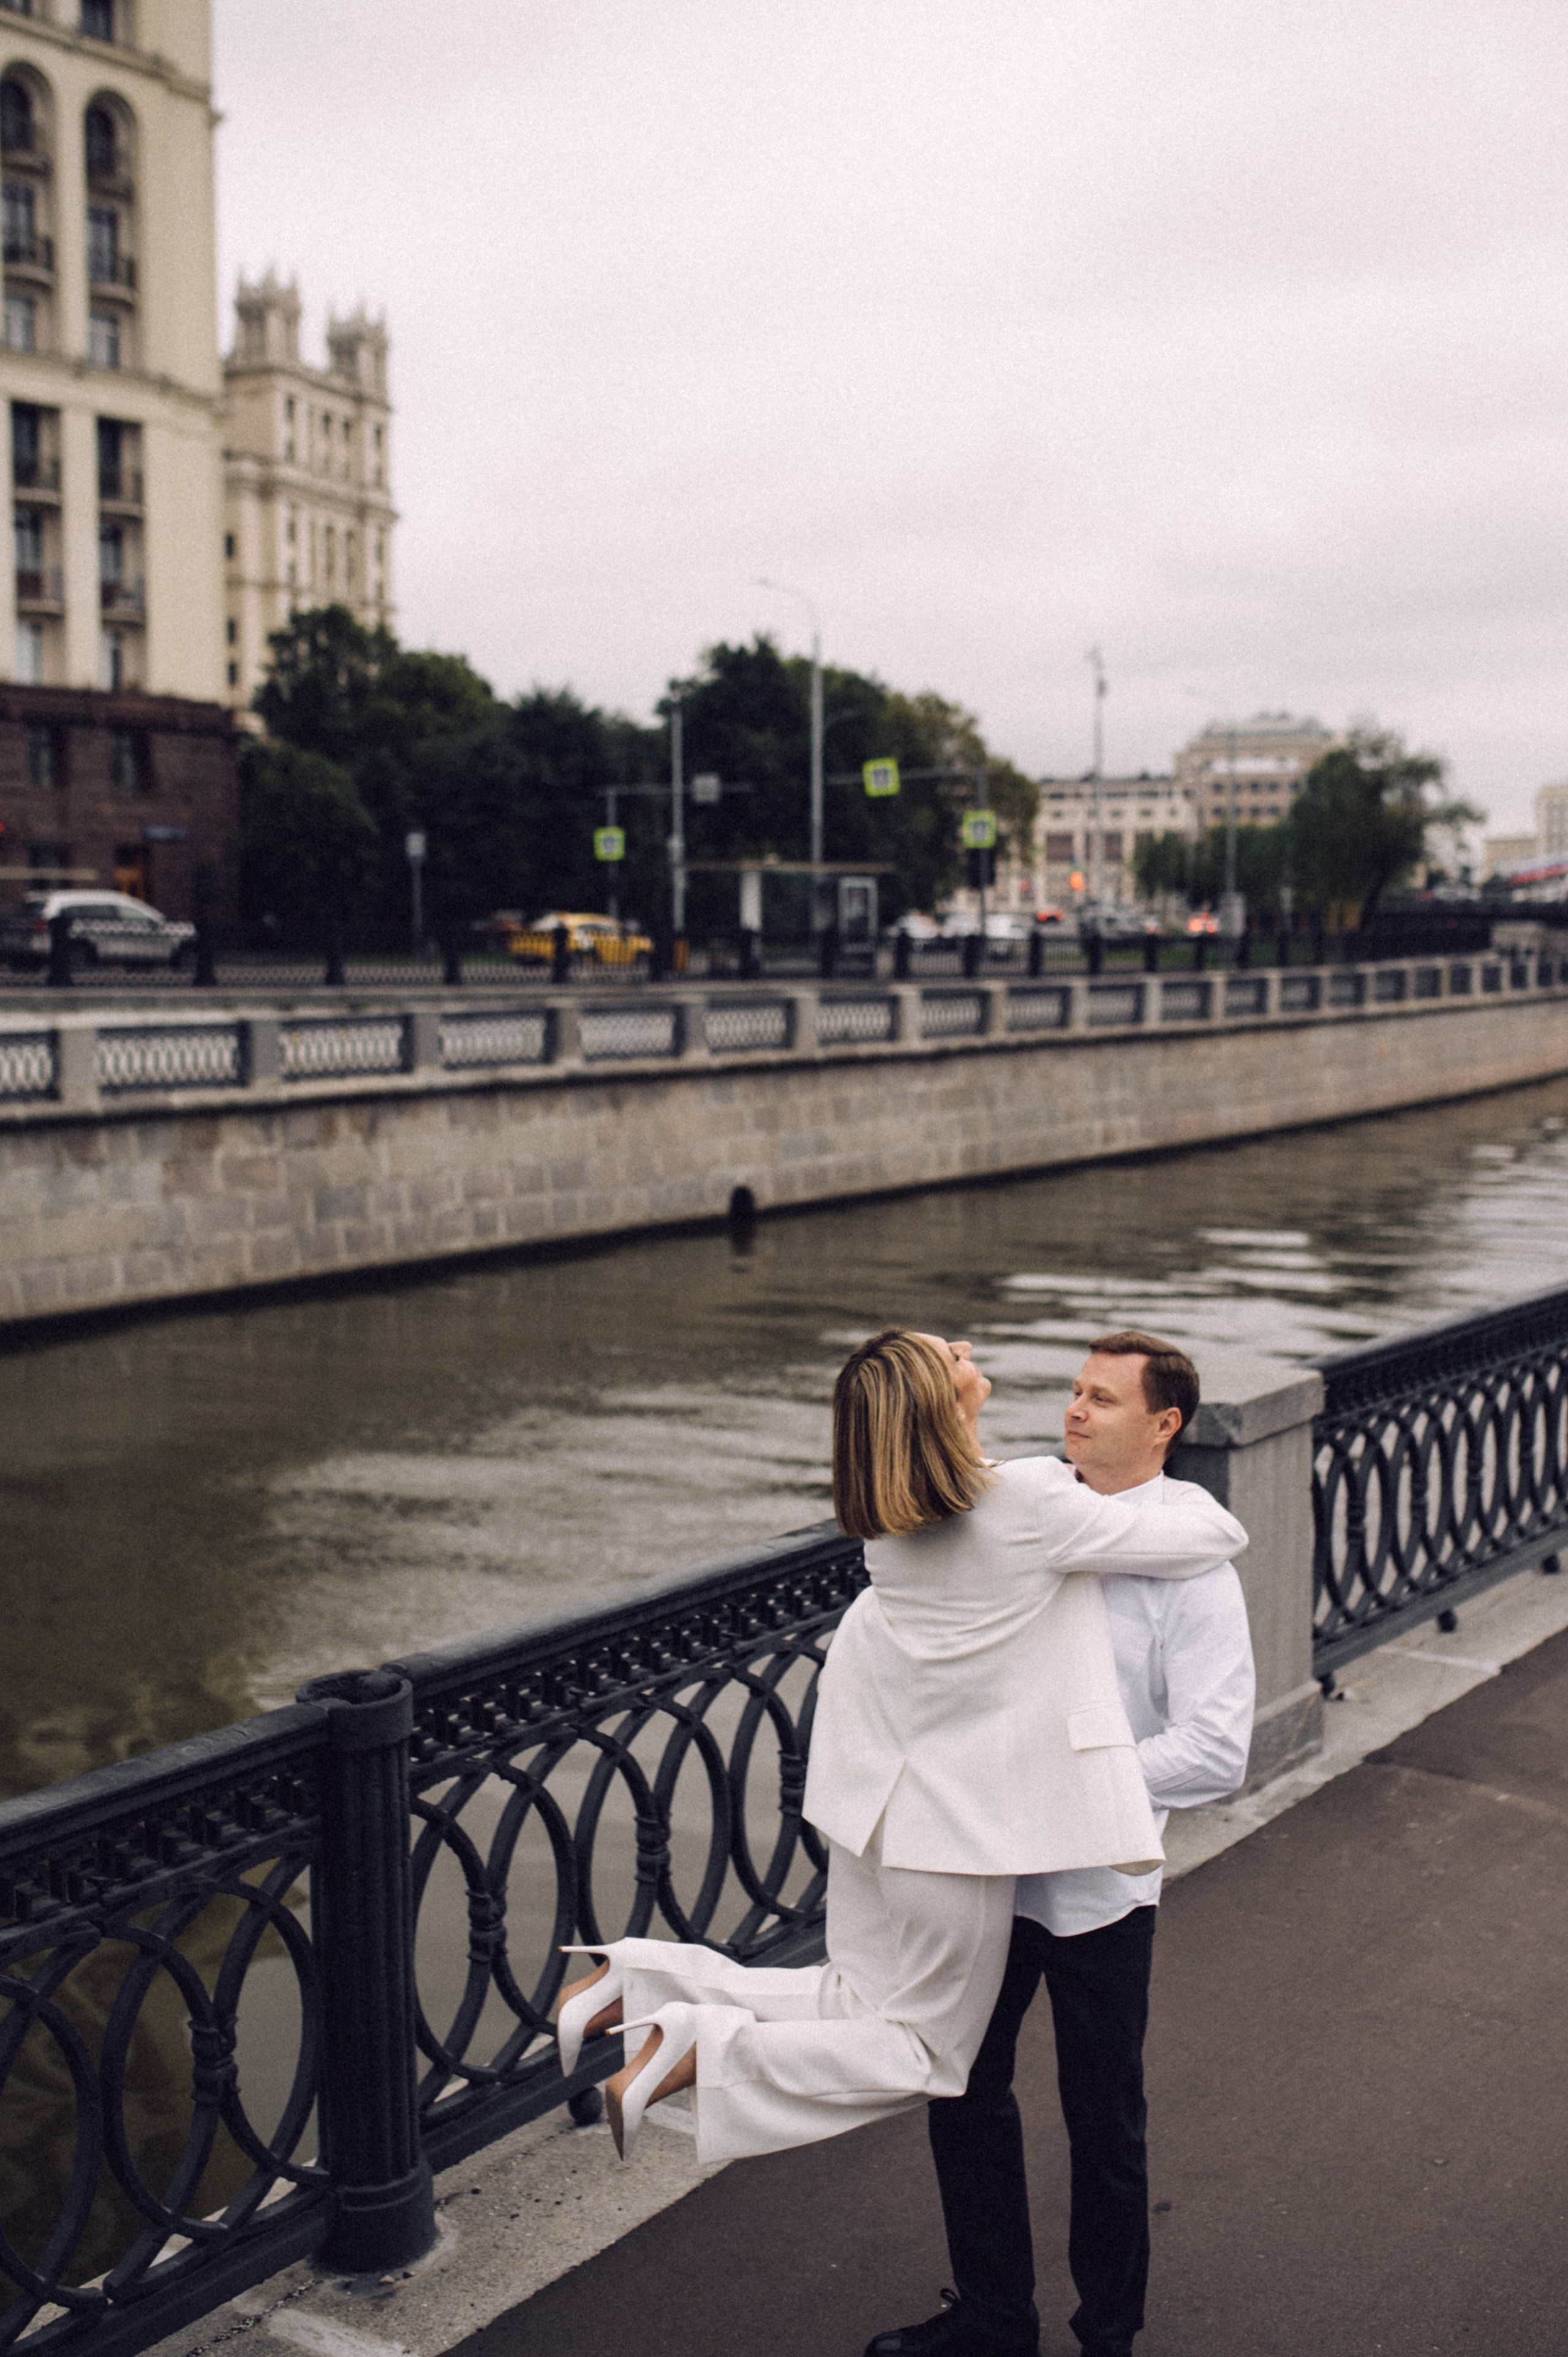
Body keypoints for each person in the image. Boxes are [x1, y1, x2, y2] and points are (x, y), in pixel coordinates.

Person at [554, 1327, 1247, 2171]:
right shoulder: (1030, 1499)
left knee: (852, 1996)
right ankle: (705, 2052)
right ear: (940, 1399)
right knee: (930, 2056)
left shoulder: (891, 1530)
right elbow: (1213, 1538)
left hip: (880, 1820)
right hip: (961, 1838)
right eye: (951, 1354)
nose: (965, 1345)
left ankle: (636, 1980)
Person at [866, 1330, 1256, 2357]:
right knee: (961, 2092)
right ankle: (994, 2320)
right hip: (984, 1874)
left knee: (1104, 2126)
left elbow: (1216, 1752)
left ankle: (1108, 2337)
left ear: (1165, 1425)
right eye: (1076, 1391)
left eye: (1105, 1399)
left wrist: (1064, 1791)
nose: (1077, 1410)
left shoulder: (1190, 1557)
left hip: (1097, 1889)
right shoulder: (1028, 1500)